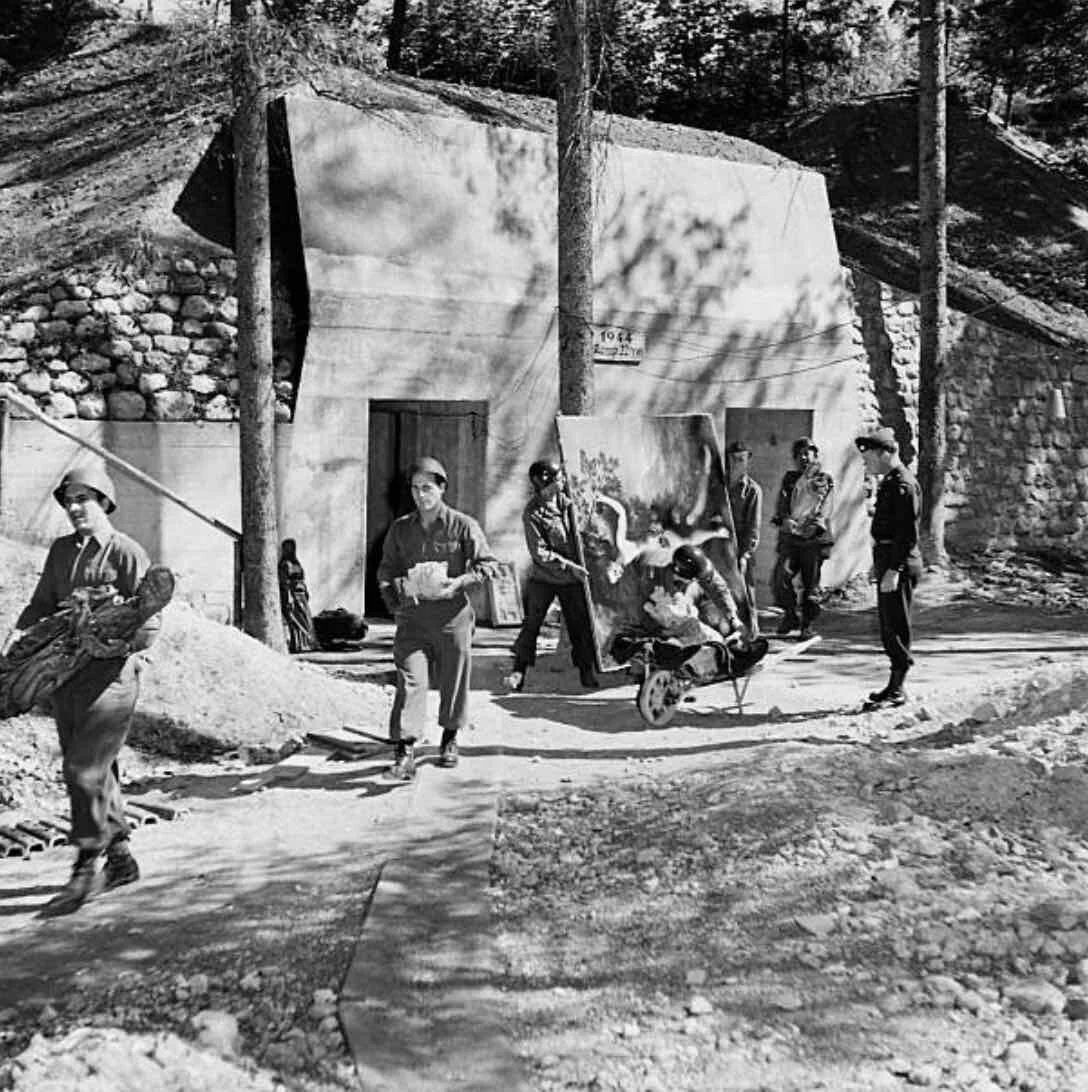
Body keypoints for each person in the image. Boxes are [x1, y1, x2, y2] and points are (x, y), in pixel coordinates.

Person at [1, 466, 160, 917]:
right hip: (63, 680)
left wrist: (120, 642)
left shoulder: (126, 552)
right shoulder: (60, 552)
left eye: (83, 499)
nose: (74, 509)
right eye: (68, 501)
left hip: (110, 682)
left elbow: (149, 619)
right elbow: (41, 604)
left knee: (82, 770)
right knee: (97, 771)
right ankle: (122, 857)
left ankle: (86, 863)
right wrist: (17, 639)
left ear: (104, 501)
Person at [376, 456, 499, 780]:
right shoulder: (401, 529)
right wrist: (397, 594)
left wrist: (460, 582)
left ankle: (449, 737)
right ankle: (404, 751)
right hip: (413, 619)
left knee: (453, 680)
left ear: (442, 489)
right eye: (415, 489)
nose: (420, 495)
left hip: (452, 618)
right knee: (411, 681)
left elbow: (488, 566)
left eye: (427, 488)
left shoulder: (463, 525)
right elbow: (386, 570)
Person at [507, 459, 598, 692]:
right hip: (545, 578)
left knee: (580, 625)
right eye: (558, 479)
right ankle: (519, 671)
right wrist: (570, 566)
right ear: (544, 484)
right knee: (532, 625)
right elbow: (540, 552)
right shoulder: (533, 513)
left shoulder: (569, 503)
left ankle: (586, 670)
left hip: (572, 579)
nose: (563, 481)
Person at [856, 426, 923, 708]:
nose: (865, 462)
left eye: (869, 456)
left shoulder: (903, 484)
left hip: (900, 563)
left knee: (895, 625)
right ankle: (894, 686)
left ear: (885, 453)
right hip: (888, 558)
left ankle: (898, 687)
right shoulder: (891, 481)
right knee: (887, 625)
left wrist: (893, 570)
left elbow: (907, 534)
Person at [770, 437, 835, 640]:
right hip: (792, 538)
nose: (804, 457)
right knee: (781, 577)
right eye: (799, 454)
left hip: (813, 539)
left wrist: (815, 525)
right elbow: (782, 502)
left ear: (815, 455)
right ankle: (790, 615)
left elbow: (826, 506)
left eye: (808, 453)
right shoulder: (790, 479)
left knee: (810, 585)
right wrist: (785, 519)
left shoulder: (824, 478)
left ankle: (807, 624)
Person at [725, 440, 762, 636]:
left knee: (746, 592)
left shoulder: (752, 490)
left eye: (741, 459)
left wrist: (745, 554)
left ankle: (752, 631)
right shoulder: (719, 486)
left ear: (748, 460)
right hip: (720, 546)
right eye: (733, 459)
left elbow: (753, 528)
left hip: (740, 548)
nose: (736, 463)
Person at [278, 538, 318, 654]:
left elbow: (302, 579)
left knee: (306, 620)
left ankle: (307, 644)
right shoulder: (284, 564)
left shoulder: (296, 563)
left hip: (301, 596)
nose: (290, 549)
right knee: (294, 621)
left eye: (292, 547)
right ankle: (297, 645)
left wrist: (306, 592)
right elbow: (284, 583)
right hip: (291, 595)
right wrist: (289, 597)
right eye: (287, 547)